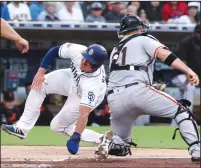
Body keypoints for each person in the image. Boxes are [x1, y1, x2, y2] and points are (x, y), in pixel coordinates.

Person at [95, 15, 200, 163]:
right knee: (181, 111)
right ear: (139, 28)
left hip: (115, 100)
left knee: (121, 146)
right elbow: (164, 54)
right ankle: (197, 150)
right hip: (137, 92)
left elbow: (125, 72)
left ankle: (110, 142)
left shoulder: (116, 49)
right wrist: (188, 70)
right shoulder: (143, 38)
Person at [2, 42, 111, 156]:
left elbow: (84, 115)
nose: (83, 61)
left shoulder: (93, 85)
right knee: (39, 84)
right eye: (85, 57)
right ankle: (22, 128)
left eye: (88, 62)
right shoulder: (78, 51)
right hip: (72, 79)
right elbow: (54, 50)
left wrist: (76, 137)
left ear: (96, 66)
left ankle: (100, 139)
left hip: (81, 95)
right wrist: (40, 73)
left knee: (57, 126)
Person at [170, 23, 200, 126]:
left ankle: (176, 123)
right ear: (195, 33)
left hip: (197, 77)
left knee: (181, 98)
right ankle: (188, 120)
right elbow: (181, 62)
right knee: (189, 87)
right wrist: (189, 74)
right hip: (180, 76)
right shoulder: (186, 42)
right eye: (199, 33)